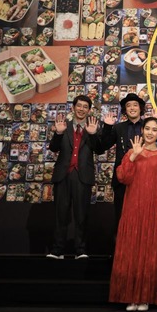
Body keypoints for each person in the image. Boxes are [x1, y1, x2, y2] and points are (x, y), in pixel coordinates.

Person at [109, 117, 157, 312]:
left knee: (149, 251)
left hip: (152, 207)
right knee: (130, 250)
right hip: (132, 207)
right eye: (147, 129)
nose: (150, 132)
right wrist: (133, 157)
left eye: (154, 130)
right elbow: (123, 177)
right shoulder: (132, 152)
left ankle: (144, 297)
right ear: (142, 131)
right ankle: (130, 297)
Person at [100, 93, 157, 238]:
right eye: (128, 105)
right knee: (121, 219)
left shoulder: (148, 126)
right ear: (125, 110)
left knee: (144, 220)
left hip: (145, 182)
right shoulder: (118, 128)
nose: (132, 108)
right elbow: (103, 146)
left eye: (135, 105)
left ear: (140, 108)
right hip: (123, 179)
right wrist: (107, 127)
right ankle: (121, 248)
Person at [47, 95, 103, 259]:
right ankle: (57, 250)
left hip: (83, 176)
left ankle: (81, 250)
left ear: (89, 110)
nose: (81, 109)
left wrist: (93, 134)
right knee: (60, 214)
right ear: (73, 107)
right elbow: (53, 148)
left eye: (85, 107)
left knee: (81, 215)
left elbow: (99, 150)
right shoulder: (63, 125)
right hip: (63, 175)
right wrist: (58, 133)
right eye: (79, 106)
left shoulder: (93, 126)